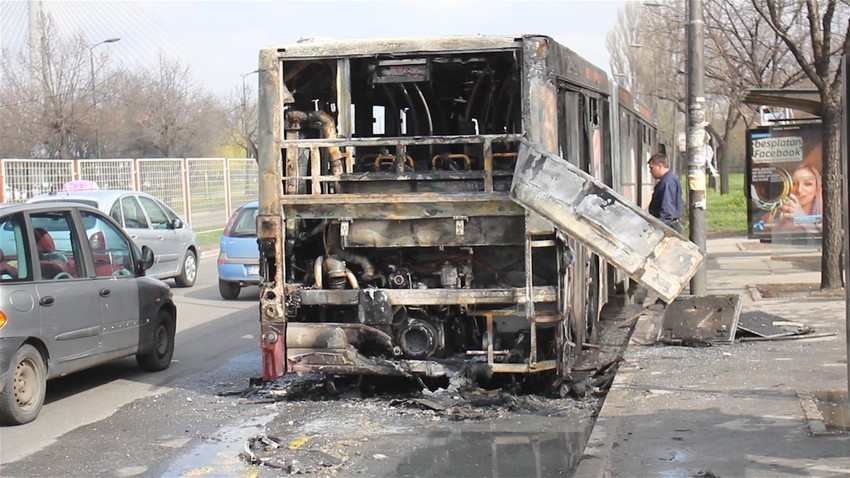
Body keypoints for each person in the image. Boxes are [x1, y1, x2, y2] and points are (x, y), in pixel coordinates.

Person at [770, 162, 823, 233]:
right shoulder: (774, 216)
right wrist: (778, 224)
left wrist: (801, 218)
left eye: (808, 184)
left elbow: (820, 240)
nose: (799, 190)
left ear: (817, 189)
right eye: (794, 184)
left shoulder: (825, 217)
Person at [647, 152, 683, 233]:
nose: (650, 171)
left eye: (652, 168)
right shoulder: (668, 179)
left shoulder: (668, 182)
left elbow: (667, 208)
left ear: (660, 166)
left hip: (667, 227)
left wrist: (658, 227)